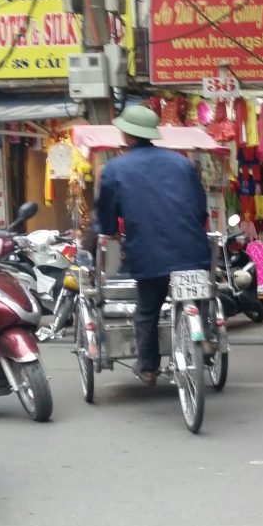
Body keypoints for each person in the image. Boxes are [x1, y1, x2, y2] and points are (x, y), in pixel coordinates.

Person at [95, 105, 212, 387]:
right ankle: (205, 338)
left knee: (147, 311)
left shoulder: (115, 168)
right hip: (192, 250)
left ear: (127, 134)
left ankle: (148, 368)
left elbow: (106, 217)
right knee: (197, 299)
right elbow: (200, 208)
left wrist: (109, 231)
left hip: (149, 254)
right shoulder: (181, 163)